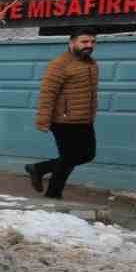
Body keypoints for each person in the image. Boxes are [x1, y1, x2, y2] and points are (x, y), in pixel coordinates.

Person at [28, 29, 98, 198]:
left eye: (92, 42)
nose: (89, 45)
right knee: (68, 159)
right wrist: (43, 120)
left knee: (87, 155)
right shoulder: (59, 64)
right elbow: (47, 93)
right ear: (71, 43)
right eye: (84, 42)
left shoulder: (91, 63)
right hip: (63, 120)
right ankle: (53, 194)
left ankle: (39, 168)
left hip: (84, 119)